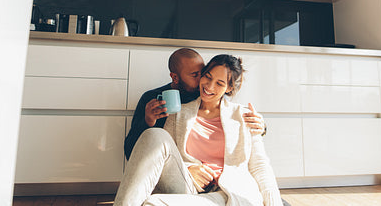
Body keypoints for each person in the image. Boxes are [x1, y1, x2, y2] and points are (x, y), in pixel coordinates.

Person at [114, 54, 283, 206]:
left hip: (227, 193)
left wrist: (274, 202)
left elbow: (260, 165)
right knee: (154, 133)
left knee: (153, 203)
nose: (209, 86)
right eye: (206, 77)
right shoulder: (177, 111)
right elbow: (164, 157)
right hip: (187, 185)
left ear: (229, 88)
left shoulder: (243, 116)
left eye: (219, 83)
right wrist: (188, 168)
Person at [124, 48, 266, 160]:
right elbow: (131, 152)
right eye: (195, 75)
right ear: (175, 77)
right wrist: (148, 121)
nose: (204, 81)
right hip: (159, 163)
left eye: (203, 72)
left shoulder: (206, 96)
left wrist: (261, 127)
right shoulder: (151, 99)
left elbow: (232, 117)